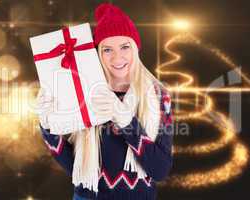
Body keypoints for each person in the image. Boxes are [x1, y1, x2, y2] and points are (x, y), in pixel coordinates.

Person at [35, 3, 173, 200]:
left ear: (135, 48)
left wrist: (127, 122)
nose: (117, 57)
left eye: (125, 46)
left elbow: (160, 170)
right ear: (98, 53)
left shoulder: (158, 96)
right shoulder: (84, 91)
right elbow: (74, 168)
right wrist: (48, 126)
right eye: (107, 49)